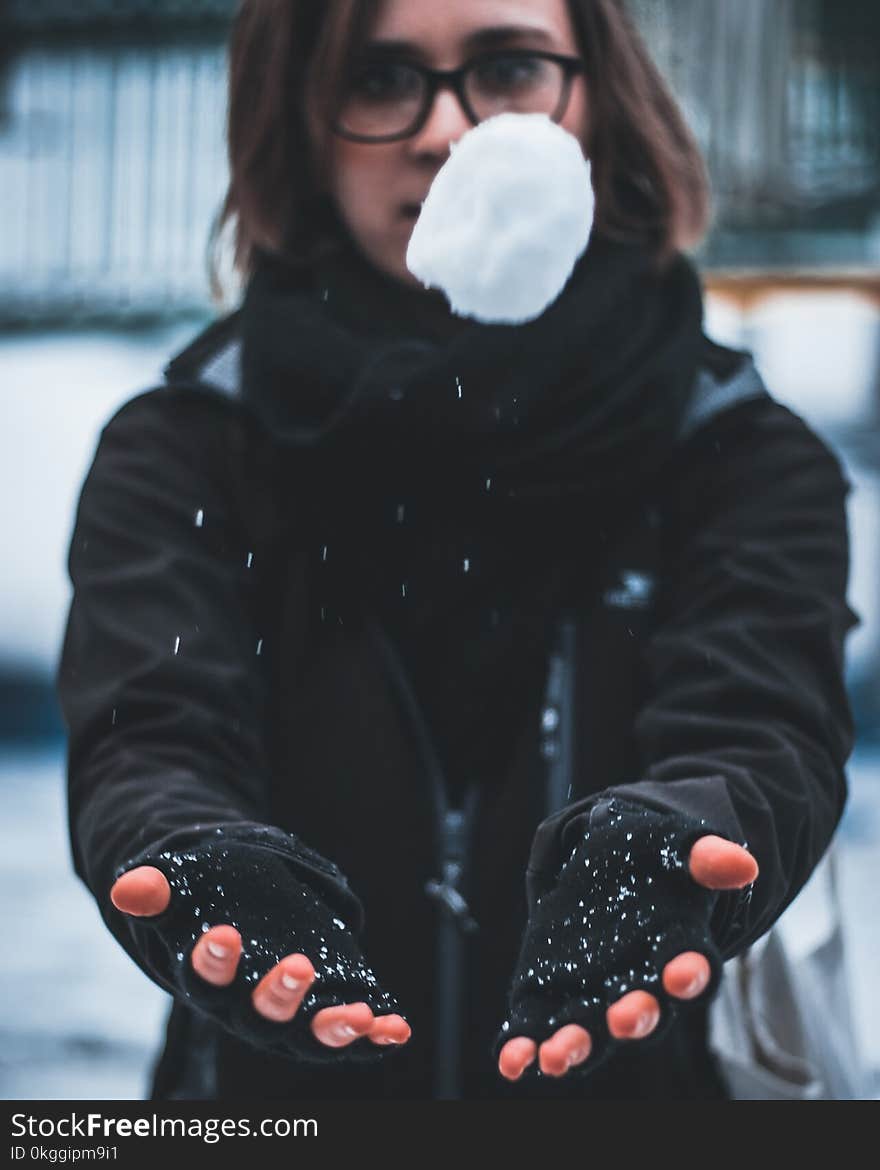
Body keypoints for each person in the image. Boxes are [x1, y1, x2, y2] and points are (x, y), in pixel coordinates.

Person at [57, 0, 860, 1101]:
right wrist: (189, 849)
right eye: (381, 82)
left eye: (508, 67)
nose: (445, 133)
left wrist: (688, 828)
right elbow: (150, 727)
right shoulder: (191, 451)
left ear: (603, 101)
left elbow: (758, 714)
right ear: (300, 119)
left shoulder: (733, 454)